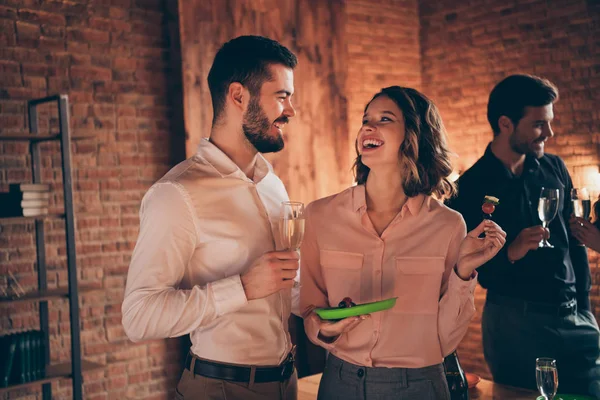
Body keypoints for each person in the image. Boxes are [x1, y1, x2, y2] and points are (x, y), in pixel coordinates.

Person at [122, 35, 300, 400]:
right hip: (219, 389)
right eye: (282, 96)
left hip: (286, 383)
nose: (291, 110)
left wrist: (317, 312)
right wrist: (243, 287)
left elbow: (281, 288)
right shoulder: (176, 194)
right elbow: (138, 317)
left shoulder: (273, 185)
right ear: (238, 96)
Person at [300, 86, 506, 399]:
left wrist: (464, 271)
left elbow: (445, 339)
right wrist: (323, 328)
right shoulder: (320, 216)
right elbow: (310, 310)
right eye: (367, 119)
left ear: (414, 136)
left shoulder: (448, 225)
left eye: (385, 119)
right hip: (340, 382)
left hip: (420, 385)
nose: (369, 126)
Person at [448, 74, 600, 398]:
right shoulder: (471, 187)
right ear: (505, 123)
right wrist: (511, 251)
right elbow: (472, 270)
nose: (549, 133)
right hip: (516, 325)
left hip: (576, 318)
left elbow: (573, 242)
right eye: (538, 124)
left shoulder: (554, 167)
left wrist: (585, 307)